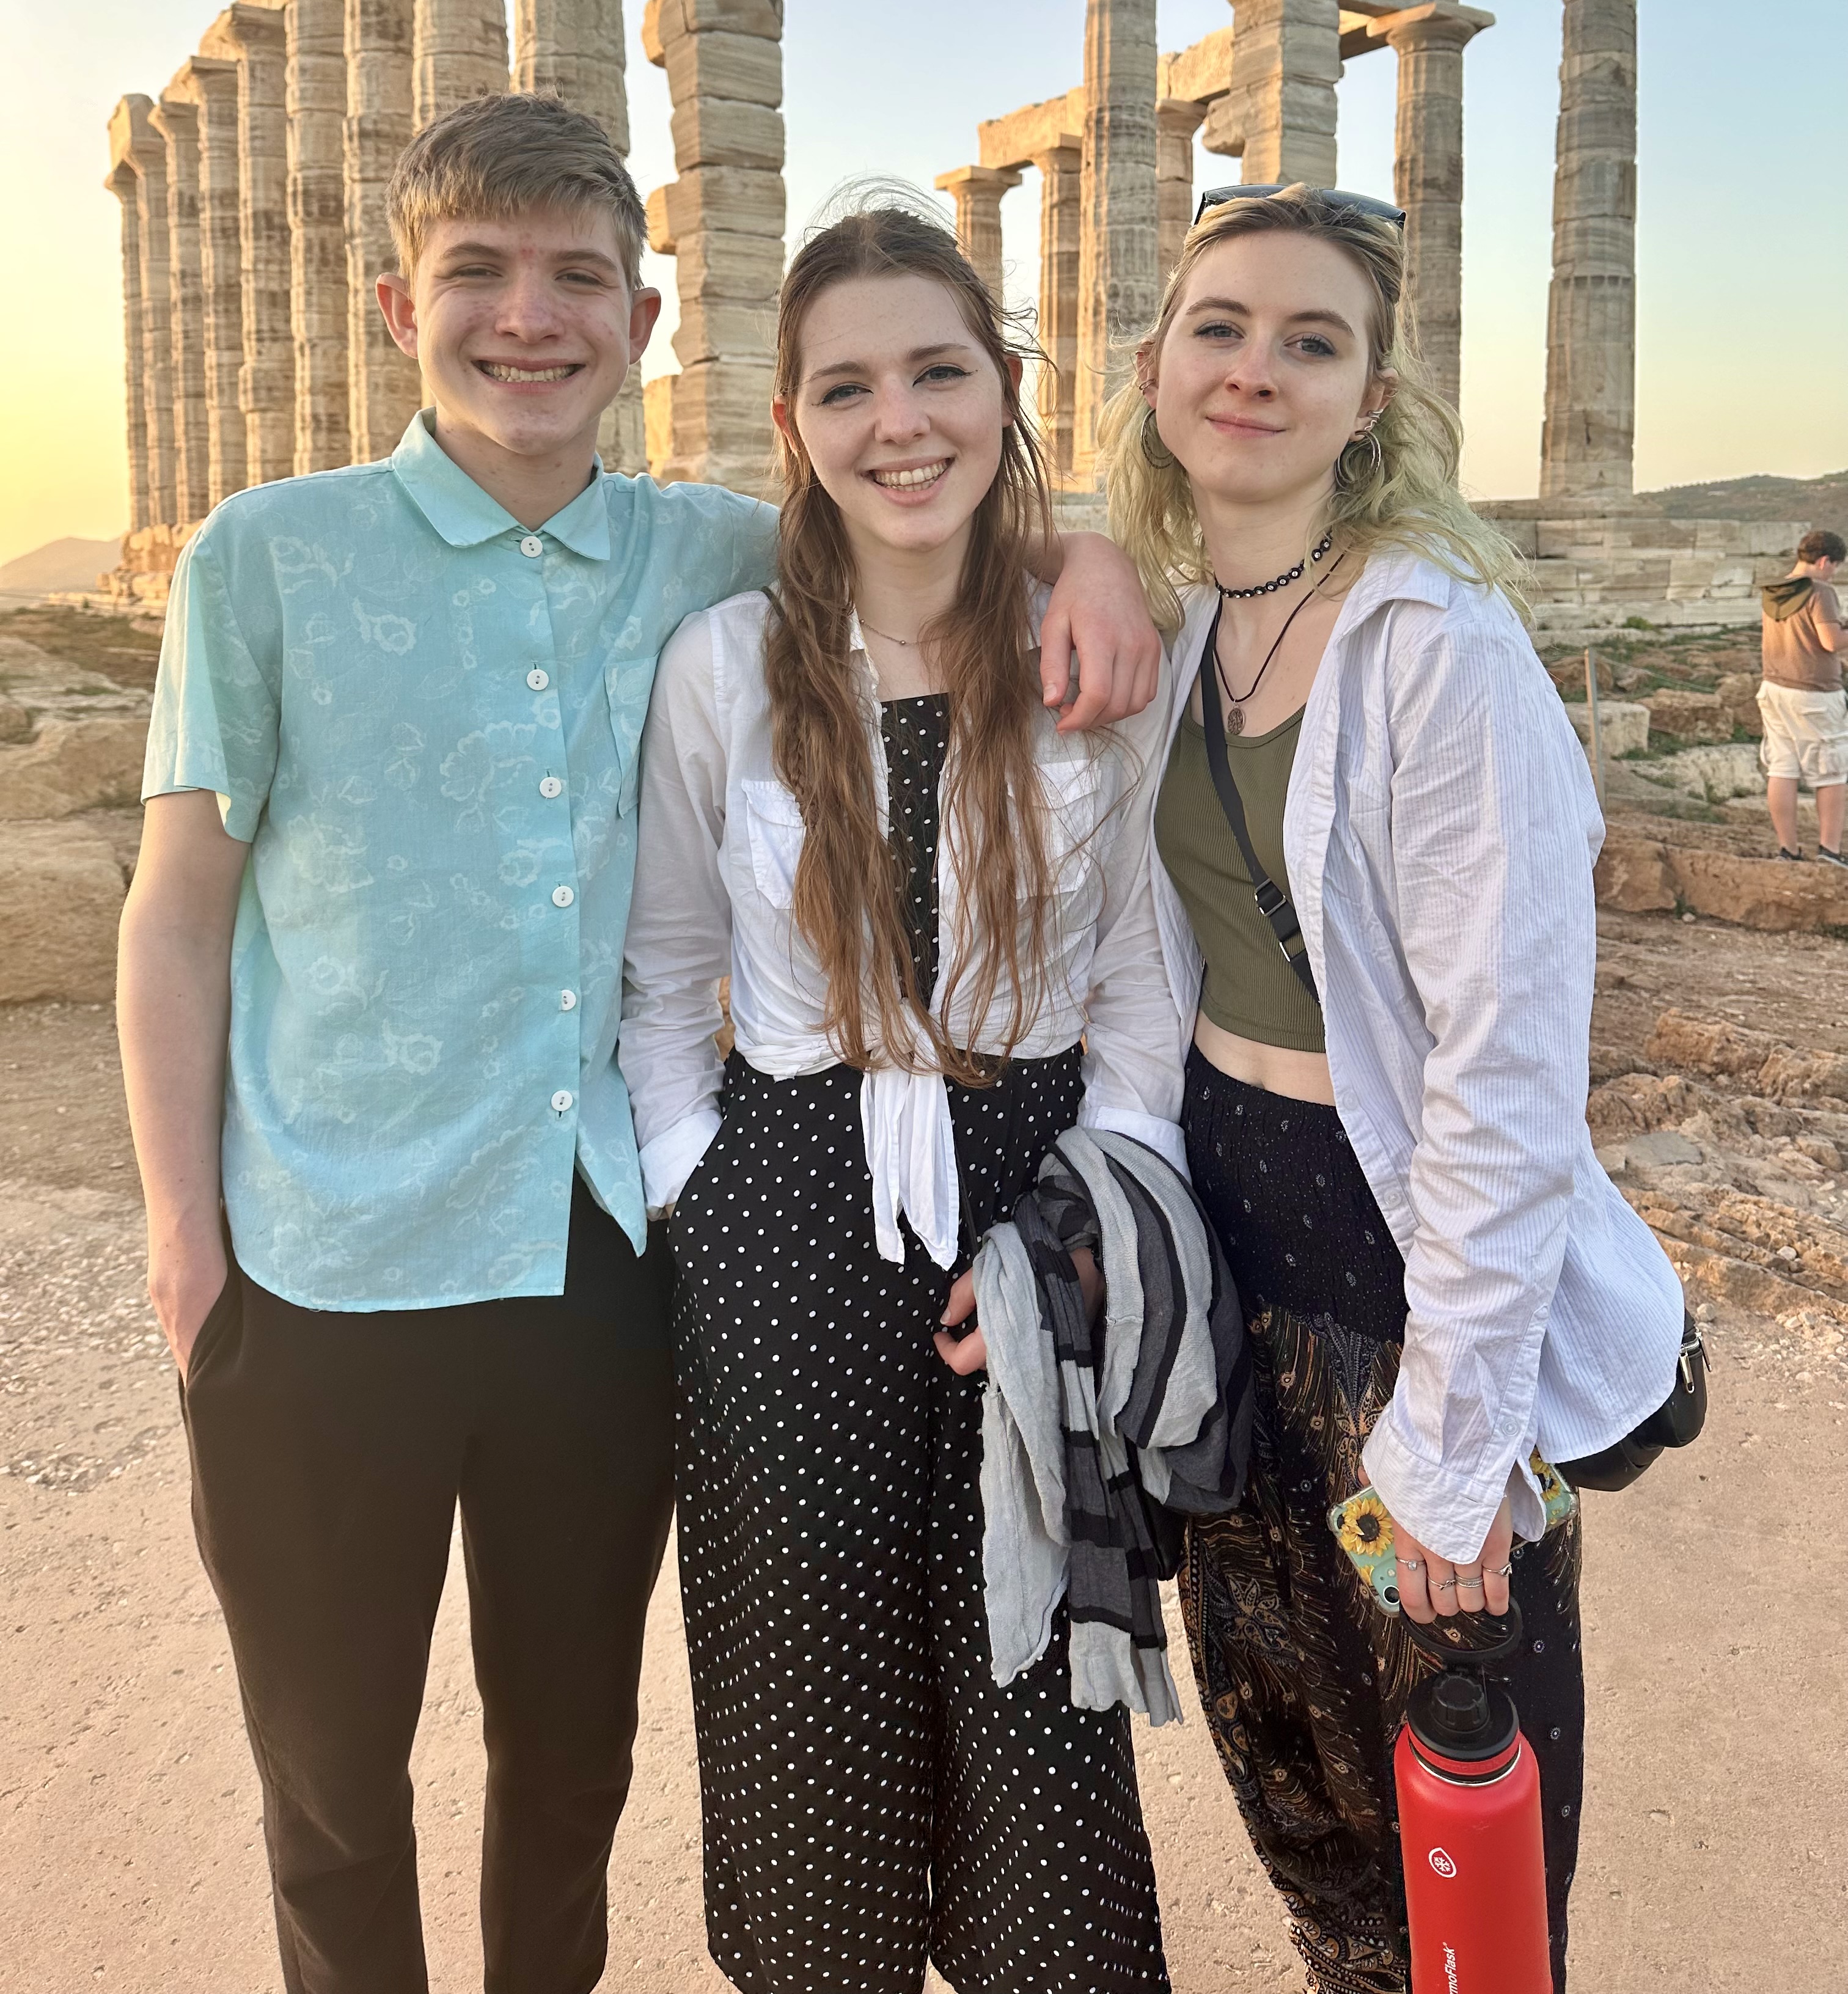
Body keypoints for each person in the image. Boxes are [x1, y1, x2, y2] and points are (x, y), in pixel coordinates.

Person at [115, 97, 1159, 1994]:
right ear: (392, 306)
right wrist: (183, 1236)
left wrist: (1093, 555)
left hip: (593, 1266)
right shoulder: (264, 556)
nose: (532, 319)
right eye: (480, 278)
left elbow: (922, 482)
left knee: (568, 1764)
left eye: (577, 277)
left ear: (648, 317)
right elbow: (177, 912)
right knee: (336, 1781)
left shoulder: (712, 556)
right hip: (319, 1265)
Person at [1098, 181, 1689, 1994]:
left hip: (1398, 1259)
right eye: (1222, 328)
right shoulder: (1183, 622)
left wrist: (1449, 1456)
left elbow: (1509, 1079)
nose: (1257, 370)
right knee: (1299, 1789)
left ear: (1372, 403)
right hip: (1231, 1244)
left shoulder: (1437, 646)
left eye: (1312, 341)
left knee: (1461, 1820)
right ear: (1155, 366)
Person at [618, 200, 1192, 1994]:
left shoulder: (1089, 662)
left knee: (1036, 1703)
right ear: (794, 423)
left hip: (1034, 1198)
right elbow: (661, 977)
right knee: (809, 1708)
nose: (901, 421)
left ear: (1004, 389)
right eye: (848, 386)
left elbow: (1142, 998)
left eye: (939, 370)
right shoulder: (723, 667)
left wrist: (1086, 1229)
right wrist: (705, 1195)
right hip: (787, 1208)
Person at [1758, 527, 1846, 866]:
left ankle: (1788, 850)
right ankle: (1830, 852)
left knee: (1782, 768)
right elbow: (1830, 641)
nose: (1834, 573)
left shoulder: (1775, 590)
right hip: (1814, 693)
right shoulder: (1820, 591)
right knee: (1832, 772)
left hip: (1775, 688)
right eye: (1835, 566)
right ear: (1824, 561)